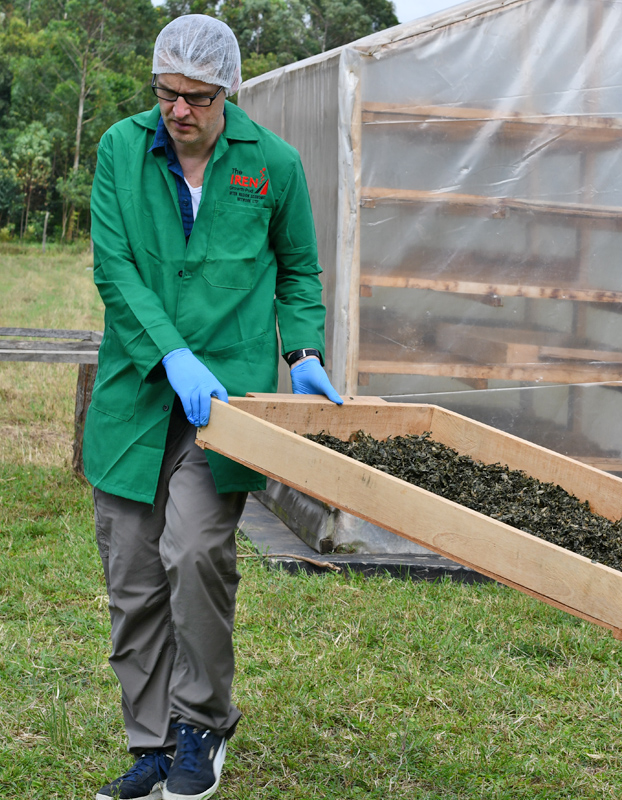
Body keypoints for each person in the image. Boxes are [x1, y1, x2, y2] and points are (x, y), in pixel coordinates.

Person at [85, 14, 342, 800]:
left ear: (226, 90)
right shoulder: (121, 152)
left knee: (194, 552)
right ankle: (154, 743)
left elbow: (299, 270)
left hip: (223, 402)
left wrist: (303, 355)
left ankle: (202, 724)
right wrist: (170, 351)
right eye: (166, 93)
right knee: (132, 573)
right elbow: (116, 270)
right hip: (138, 390)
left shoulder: (274, 166)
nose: (178, 110)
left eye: (195, 96)